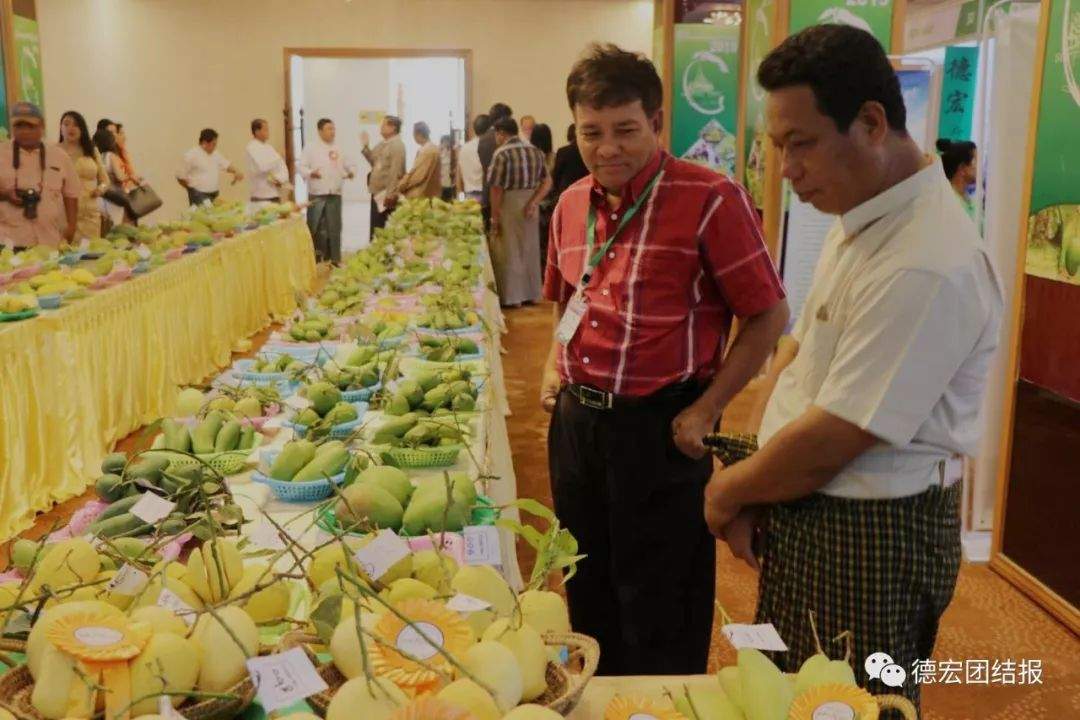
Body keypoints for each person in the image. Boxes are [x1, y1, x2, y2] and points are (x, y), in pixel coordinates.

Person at [703, 26, 1001, 713]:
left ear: (870, 123)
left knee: (853, 703)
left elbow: (836, 436)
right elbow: (798, 354)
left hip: (871, 533)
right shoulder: (862, 217)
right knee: (792, 692)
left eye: (800, 143)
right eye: (778, 146)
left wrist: (725, 496)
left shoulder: (926, 260)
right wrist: (752, 477)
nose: (785, 168)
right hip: (808, 506)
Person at [541, 44, 789, 676]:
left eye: (626, 130)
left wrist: (709, 408)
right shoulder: (570, 204)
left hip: (663, 427)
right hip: (576, 425)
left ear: (656, 122)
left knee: (660, 598)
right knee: (586, 579)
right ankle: (601, 701)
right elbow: (567, 296)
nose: (608, 148)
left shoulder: (710, 198)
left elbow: (767, 315)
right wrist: (553, 368)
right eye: (591, 133)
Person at [489, 117, 551, 308]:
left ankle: (513, 298)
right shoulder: (535, 151)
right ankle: (532, 294)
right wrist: (534, 202)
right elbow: (547, 182)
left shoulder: (501, 154)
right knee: (529, 249)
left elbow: (496, 188)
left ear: (501, 133)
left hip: (509, 203)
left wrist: (495, 216)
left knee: (510, 250)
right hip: (531, 205)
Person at [0, 102, 80, 248]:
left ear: (42, 127)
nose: (24, 131)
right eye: (19, 126)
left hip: (50, 241)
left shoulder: (59, 156)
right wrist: (5, 194)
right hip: (9, 242)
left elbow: (71, 193)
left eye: (30, 126)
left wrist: (71, 227)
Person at [299, 118, 357, 265]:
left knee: (334, 227)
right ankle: (316, 259)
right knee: (316, 226)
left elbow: (351, 164)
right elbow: (302, 166)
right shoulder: (310, 148)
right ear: (320, 131)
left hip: (334, 194)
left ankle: (335, 259)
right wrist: (312, 172)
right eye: (329, 129)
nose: (333, 132)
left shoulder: (339, 148)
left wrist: (350, 172)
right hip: (317, 194)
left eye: (333, 128)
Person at [59, 110, 109, 241]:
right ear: (61, 128)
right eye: (66, 124)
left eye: (76, 124)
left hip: (89, 214)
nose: (71, 128)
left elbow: (105, 180)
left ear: (82, 129)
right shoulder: (54, 152)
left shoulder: (91, 150)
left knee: (91, 255)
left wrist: (100, 189)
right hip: (63, 215)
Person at [361, 115, 406, 236]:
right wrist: (366, 146)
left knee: (382, 227)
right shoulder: (383, 143)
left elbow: (395, 172)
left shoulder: (397, 145)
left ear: (393, 128)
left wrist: (391, 194)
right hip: (377, 193)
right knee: (376, 226)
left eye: (384, 124)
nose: (381, 127)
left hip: (385, 194)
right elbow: (374, 162)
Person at [176, 128, 242, 207]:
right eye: (213, 144)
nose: (215, 146)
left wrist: (236, 171)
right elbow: (180, 176)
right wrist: (191, 189)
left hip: (214, 194)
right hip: (198, 194)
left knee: (214, 217)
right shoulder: (191, 155)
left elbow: (226, 164)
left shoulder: (215, 154)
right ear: (204, 143)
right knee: (203, 217)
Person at [479, 102, 512, 229]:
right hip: (502, 194)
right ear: (503, 119)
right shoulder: (503, 138)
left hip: (487, 190)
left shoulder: (483, 138)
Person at [391, 122, 442, 201]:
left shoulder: (428, 151)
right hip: (429, 194)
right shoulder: (429, 149)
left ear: (418, 134)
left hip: (423, 194)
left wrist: (401, 186)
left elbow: (417, 176)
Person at [246, 118, 290, 209]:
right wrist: (278, 158)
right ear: (257, 131)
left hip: (274, 193)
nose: (268, 132)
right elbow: (263, 167)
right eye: (265, 129)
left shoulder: (269, 147)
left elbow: (281, 165)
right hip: (260, 196)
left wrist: (280, 179)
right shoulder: (252, 147)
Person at [529, 123, 555, 273]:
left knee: (534, 242)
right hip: (550, 204)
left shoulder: (531, 157)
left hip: (533, 202)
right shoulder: (553, 156)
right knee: (547, 242)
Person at [93, 128, 131, 226]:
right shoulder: (111, 156)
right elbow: (120, 177)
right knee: (115, 227)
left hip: (100, 197)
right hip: (114, 198)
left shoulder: (96, 157)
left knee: (103, 227)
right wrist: (129, 176)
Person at [937, 138, 977, 218]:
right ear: (962, 168)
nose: (979, 167)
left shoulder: (971, 201)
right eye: (975, 161)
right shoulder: (948, 203)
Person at [551, 123, 589, 202]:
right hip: (587, 188)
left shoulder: (563, 151)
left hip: (567, 189)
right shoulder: (588, 150)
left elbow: (557, 173)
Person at [456, 114, 489, 204]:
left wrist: (460, 198)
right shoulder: (488, 147)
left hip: (468, 194)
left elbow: (458, 175)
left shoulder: (464, 148)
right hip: (484, 194)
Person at [439, 134, 456, 201]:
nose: (445, 145)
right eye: (444, 143)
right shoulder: (438, 153)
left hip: (450, 185)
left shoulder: (453, 154)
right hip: (441, 184)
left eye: (447, 143)